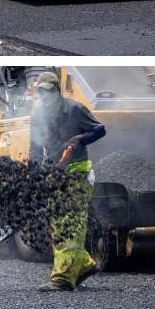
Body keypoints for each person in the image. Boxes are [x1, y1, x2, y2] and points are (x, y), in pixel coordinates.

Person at [29, 71, 107, 292]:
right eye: (40, 92)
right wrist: (33, 174)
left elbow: (99, 130)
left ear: (57, 91)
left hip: (76, 172)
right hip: (54, 173)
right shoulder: (38, 114)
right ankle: (83, 265)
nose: (44, 96)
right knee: (57, 225)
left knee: (69, 225)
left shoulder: (74, 109)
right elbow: (34, 148)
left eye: (48, 91)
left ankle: (62, 278)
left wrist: (79, 138)